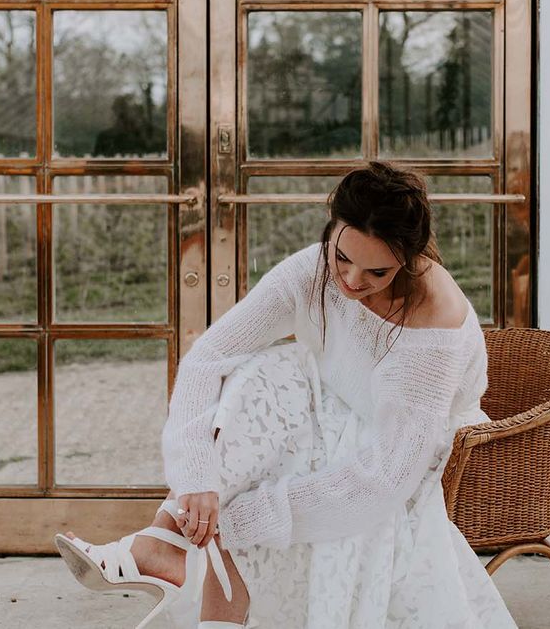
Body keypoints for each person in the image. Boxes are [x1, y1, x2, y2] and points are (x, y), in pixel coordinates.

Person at [55, 161, 518, 629]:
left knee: (283, 447)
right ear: (332, 229)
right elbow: (209, 356)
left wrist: (238, 521)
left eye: (376, 271)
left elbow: (385, 477)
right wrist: (196, 480)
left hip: (405, 455)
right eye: (342, 257)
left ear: (410, 257)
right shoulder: (315, 269)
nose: (352, 280)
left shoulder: (431, 320)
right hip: (331, 408)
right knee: (264, 374)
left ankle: (172, 555)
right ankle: (167, 538)